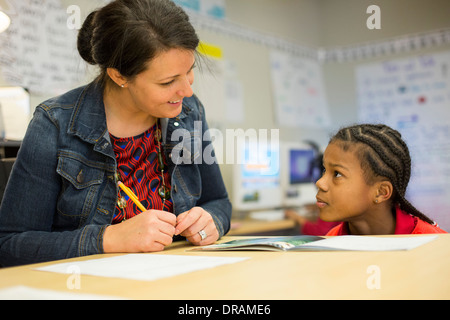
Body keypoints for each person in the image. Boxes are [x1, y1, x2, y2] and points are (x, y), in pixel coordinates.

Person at [0, 0, 231, 267]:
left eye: (189, 72)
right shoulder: (54, 124)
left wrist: (212, 220)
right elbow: (10, 245)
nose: (187, 91)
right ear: (119, 75)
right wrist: (108, 238)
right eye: (167, 82)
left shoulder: (189, 112)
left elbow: (218, 201)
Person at [315, 124, 447, 236]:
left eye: (337, 174)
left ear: (381, 192)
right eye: (325, 170)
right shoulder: (332, 239)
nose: (319, 183)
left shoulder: (436, 245)